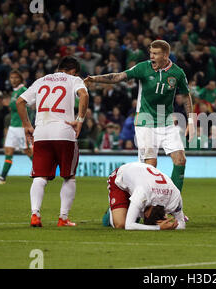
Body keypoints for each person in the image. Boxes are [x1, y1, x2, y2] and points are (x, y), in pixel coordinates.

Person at [84, 40, 195, 192]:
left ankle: (174, 204)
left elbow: (186, 96)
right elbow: (119, 77)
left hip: (167, 122)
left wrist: (191, 120)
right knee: (150, 165)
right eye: (150, 53)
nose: (151, 57)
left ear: (165, 55)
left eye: (155, 54)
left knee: (181, 160)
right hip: (145, 122)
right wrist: (95, 79)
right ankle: (148, 206)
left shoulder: (177, 73)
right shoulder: (143, 67)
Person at [16, 56, 89, 227]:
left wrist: (26, 124)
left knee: (39, 176)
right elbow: (84, 95)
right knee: (69, 176)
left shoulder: (41, 80)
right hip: (64, 133)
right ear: (73, 71)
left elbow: (20, 101)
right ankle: (63, 218)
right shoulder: (74, 79)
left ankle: (35, 214)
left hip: (41, 133)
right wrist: (80, 119)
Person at [102, 162, 186, 230]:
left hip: (140, 179)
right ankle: (111, 212)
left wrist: (171, 226)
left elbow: (182, 224)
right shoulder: (143, 193)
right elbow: (128, 226)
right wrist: (158, 227)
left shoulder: (174, 196)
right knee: (120, 224)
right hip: (121, 178)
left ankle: (131, 209)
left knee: (133, 214)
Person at [0, 70, 33, 185]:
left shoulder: (23, 90)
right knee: (8, 151)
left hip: (21, 127)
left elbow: (30, 104)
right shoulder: (14, 92)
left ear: (20, 79)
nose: (13, 80)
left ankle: (42, 173)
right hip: (13, 127)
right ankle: (2, 178)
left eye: (15, 78)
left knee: (28, 151)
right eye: (11, 78)